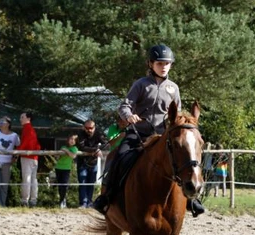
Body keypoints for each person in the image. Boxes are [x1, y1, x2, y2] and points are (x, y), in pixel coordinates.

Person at [93, 43, 205, 217]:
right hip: (138, 134)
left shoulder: (173, 88)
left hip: (161, 135)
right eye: (160, 63)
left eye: (167, 63)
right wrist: (129, 116)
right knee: (118, 157)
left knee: (179, 160)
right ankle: (106, 197)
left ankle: (191, 199)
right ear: (151, 64)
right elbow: (124, 106)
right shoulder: (141, 84)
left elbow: (178, 113)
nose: (163, 67)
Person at [76, 119, 107, 208]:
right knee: (82, 182)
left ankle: (89, 202)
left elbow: (106, 144)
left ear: (94, 127)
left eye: (91, 128)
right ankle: (83, 203)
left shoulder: (98, 133)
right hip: (82, 162)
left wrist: (99, 148)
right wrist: (95, 149)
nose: (89, 130)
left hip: (93, 163)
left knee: (91, 182)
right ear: (84, 127)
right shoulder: (80, 133)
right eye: (87, 128)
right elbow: (82, 147)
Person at [0, 116, 20, 206]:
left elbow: (18, 147)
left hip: (7, 163)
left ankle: (2, 204)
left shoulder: (14, 135)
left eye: (2, 123)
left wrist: (15, 158)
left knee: (4, 185)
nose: (0, 125)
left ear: (8, 124)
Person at [100, 116, 129, 194]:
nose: (122, 123)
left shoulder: (132, 129)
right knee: (107, 172)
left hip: (128, 153)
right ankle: (103, 195)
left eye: (124, 121)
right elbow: (111, 143)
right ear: (118, 121)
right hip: (114, 154)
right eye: (120, 121)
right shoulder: (113, 128)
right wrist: (120, 137)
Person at [18, 112, 41, 207]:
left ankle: (25, 200)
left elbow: (25, 142)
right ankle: (33, 200)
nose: (20, 119)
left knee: (27, 178)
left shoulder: (27, 128)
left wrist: (17, 152)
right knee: (33, 179)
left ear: (28, 118)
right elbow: (37, 144)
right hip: (34, 157)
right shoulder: (31, 129)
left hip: (27, 157)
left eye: (22, 117)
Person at [54, 134, 78, 208]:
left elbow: (73, 156)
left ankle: (63, 200)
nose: (72, 141)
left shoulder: (74, 148)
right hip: (58, 167)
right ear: (68, 139)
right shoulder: (63, 147)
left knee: (64, 185)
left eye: (74, 140)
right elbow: (58, 156)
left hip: (66, 169)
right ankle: (61, 201)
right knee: (60, 186)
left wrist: (66, 151)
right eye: (71, 139)